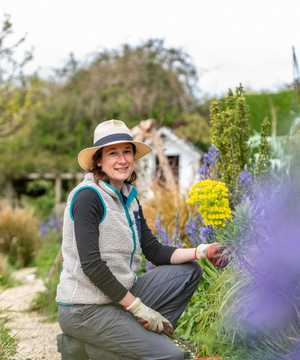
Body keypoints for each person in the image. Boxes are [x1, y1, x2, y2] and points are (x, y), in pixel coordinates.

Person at [56, 120, 229, 360]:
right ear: (99, 160)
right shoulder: (88, 197)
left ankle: (111, 346)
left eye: (127, 151)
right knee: (174, 357)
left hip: (118, 298)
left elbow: (155, 251)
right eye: (113, 153)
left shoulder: (129, 198)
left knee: (188, 272)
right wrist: (138, 308)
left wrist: (202, 250)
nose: (123, 159)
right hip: (85, 309)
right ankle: (91, 346)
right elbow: (92, 267)